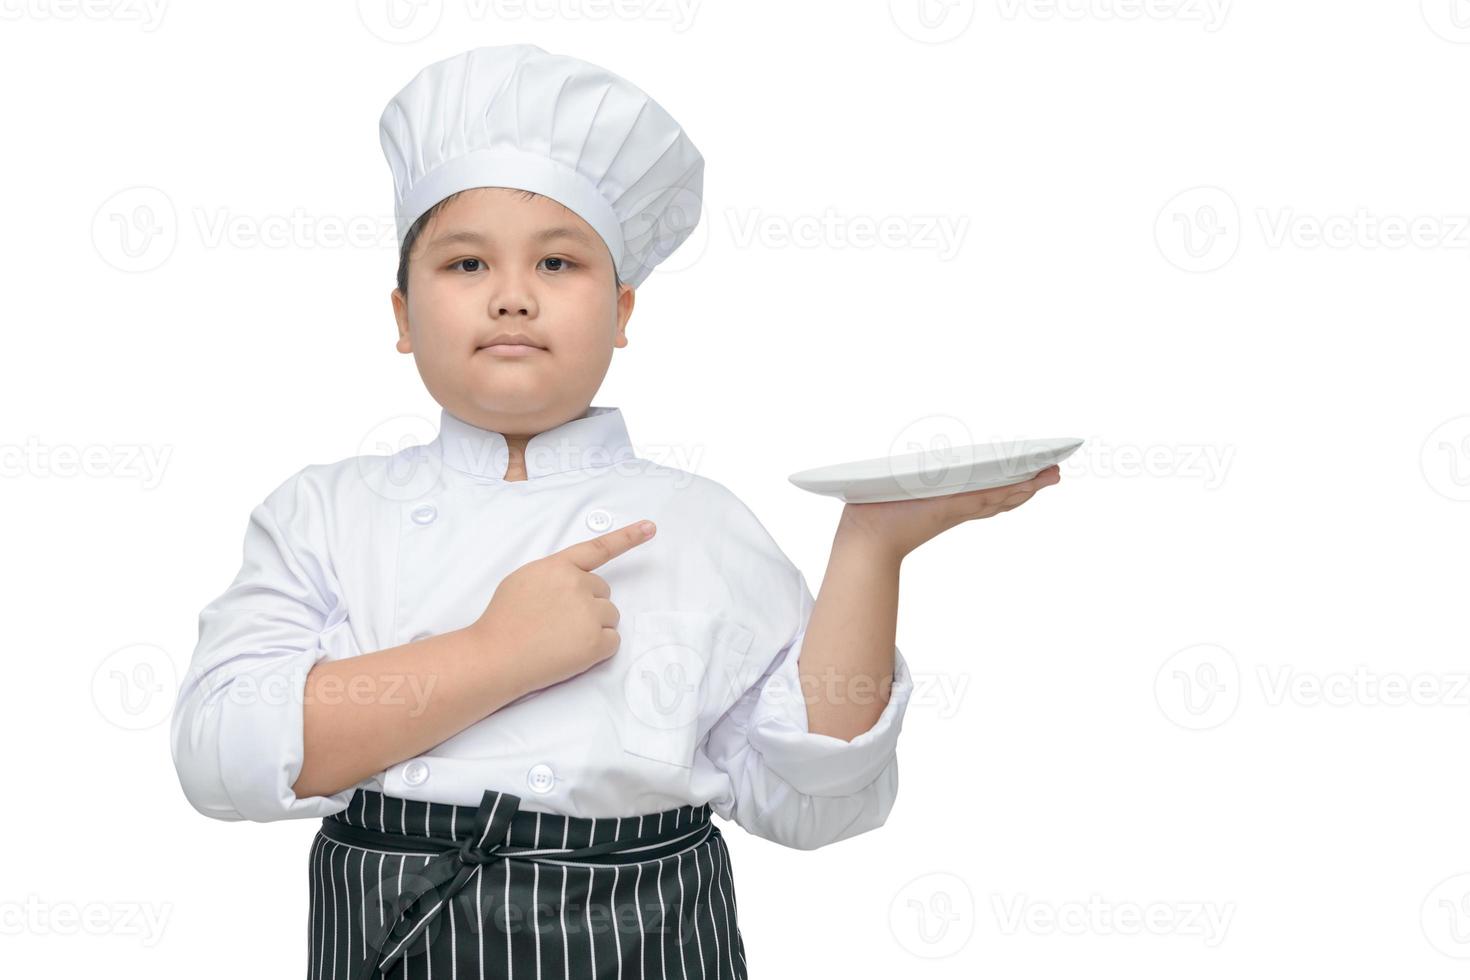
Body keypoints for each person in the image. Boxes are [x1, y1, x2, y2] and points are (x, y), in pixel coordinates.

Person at [169, 43, 1061, 980]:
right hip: (397, 937)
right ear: (401, 314)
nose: (513, 297)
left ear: (624, 311)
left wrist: (872, 547)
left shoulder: (703, 524)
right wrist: (499, 653)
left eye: (558, 263)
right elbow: (221, 753)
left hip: (646, 941)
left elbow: (815, 801)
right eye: (466, 264)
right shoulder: (322, 513)